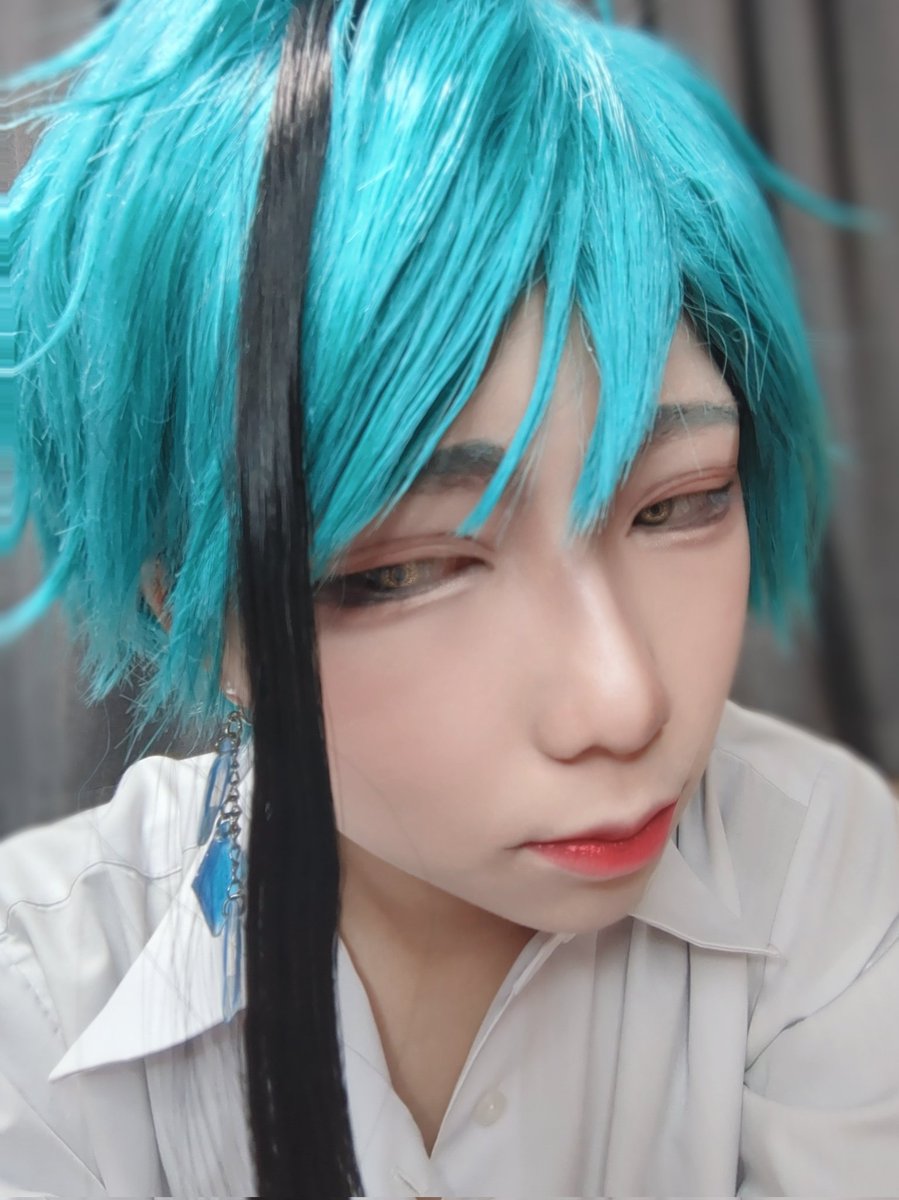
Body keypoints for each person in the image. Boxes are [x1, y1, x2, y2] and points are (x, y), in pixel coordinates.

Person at [1, 0, 897, 1195]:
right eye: (409, 569)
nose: (622, 702)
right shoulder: (37, 1007)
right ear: (188, 613)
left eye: (679, 502)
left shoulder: (824, 867)